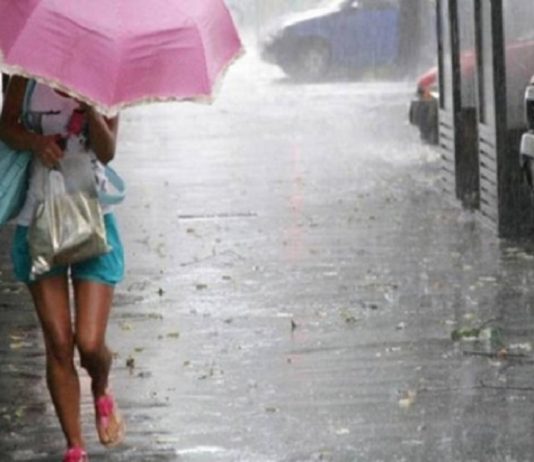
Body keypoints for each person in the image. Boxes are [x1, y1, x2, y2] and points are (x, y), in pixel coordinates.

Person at [0, 76, 125, 462]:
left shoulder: (106, 77)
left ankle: (100, 386)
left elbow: (107, 151)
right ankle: (75, 447)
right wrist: (36, 142)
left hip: (93, 219)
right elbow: (6, 127)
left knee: (89, 343)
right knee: (57, 342)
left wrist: (89, 108)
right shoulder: (27, 75)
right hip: (38, 218)